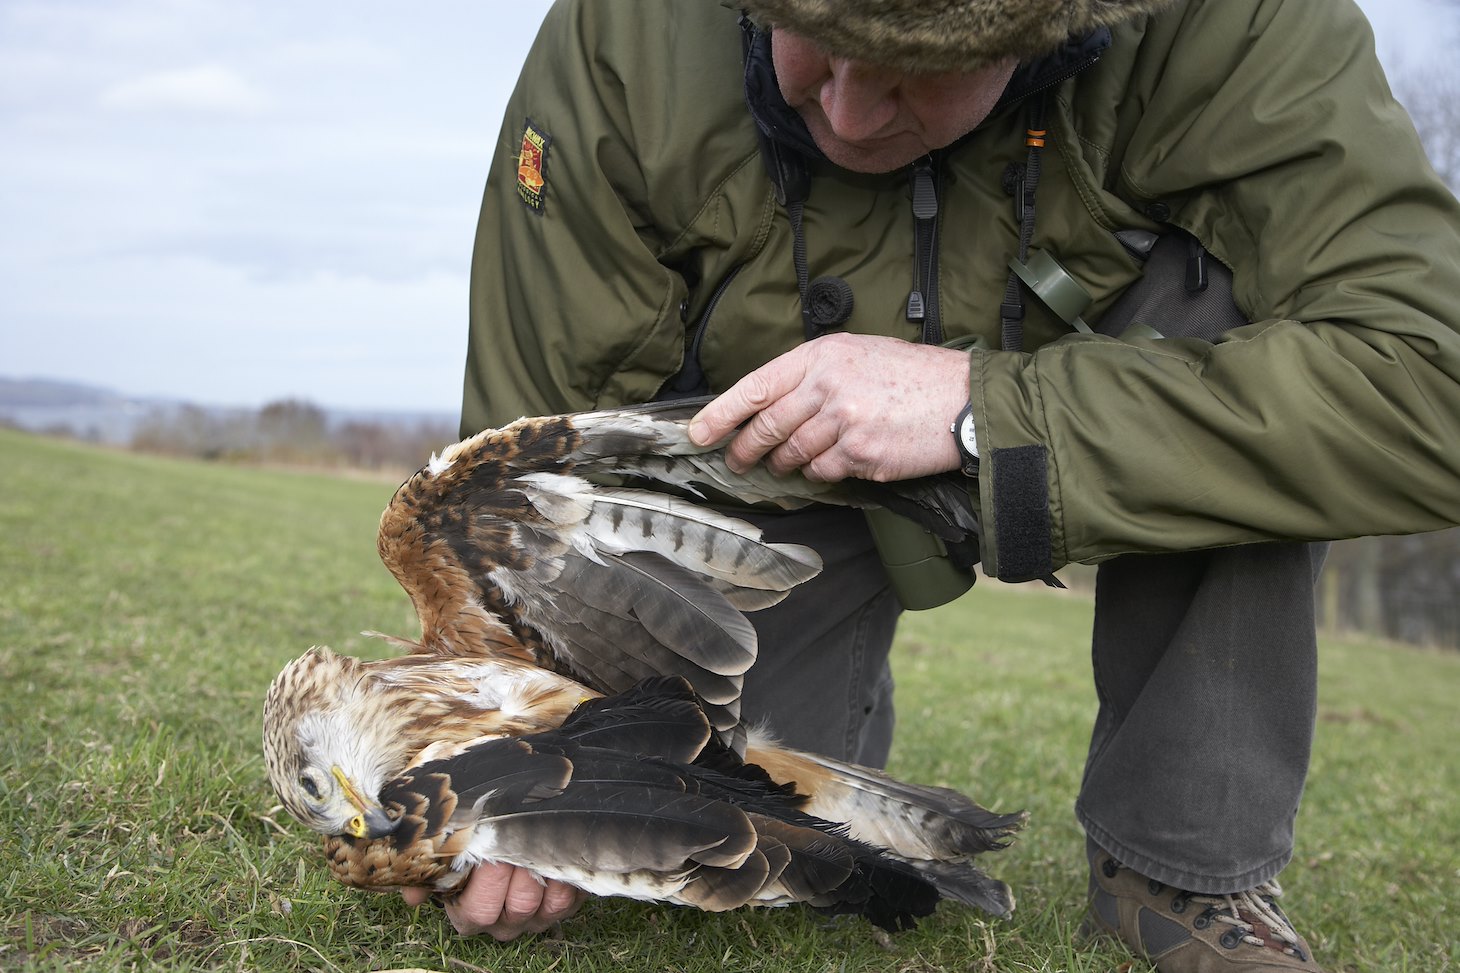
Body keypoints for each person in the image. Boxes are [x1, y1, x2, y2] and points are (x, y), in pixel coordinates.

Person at [407, 0, 1460, 968]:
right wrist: (511, 761)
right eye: (812, 38)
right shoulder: (623, 40)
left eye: (918, 70)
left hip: (1095, 412)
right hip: (762, 489)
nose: (852, 113)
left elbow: (1426, 383)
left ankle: (1181, 868)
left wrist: (980, 413)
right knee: (736, 822)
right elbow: (519, 480)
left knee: (1268, 329)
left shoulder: (1231, 26)